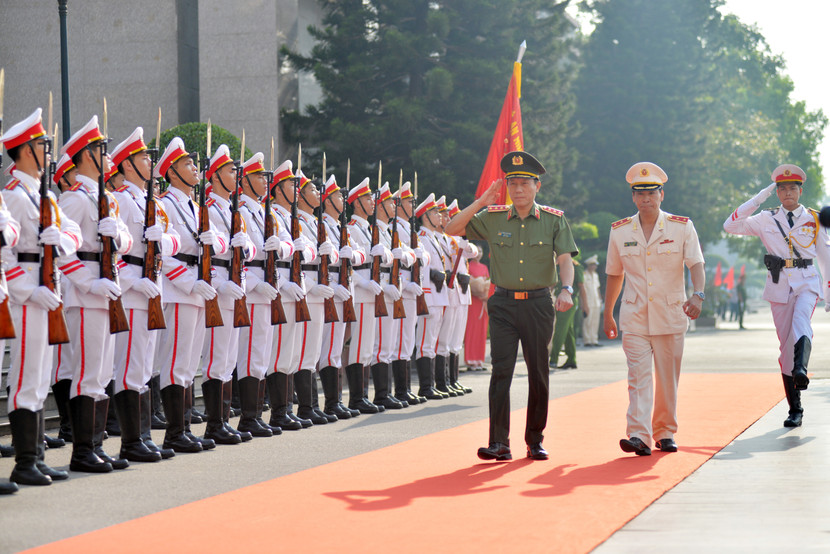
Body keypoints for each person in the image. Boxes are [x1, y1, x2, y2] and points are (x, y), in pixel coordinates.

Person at [445, 150, 577, 462]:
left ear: (537, 187)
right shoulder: (492, 217)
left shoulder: (553, 221)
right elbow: (451, 229)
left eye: (524, 183)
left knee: (538, 373)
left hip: (538, 304)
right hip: (502, 302)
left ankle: (535, 440)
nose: (517, 189)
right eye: (512, 183)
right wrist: (481, 202)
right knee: (500, 371)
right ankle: (499, 443)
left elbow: (564, 260)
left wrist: (567, 288)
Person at [603, 162, 705, 456]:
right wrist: (608, 312)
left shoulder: (681, 227)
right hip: (634, 316)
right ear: (633, 197)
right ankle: (638, 434)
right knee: (638, 377)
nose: (646, 199)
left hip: (671, 314)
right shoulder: (620, 231)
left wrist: (698, 295)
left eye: (652, 193)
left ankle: (664, 431)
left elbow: (696, 263)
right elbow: (614, 274)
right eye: (640, 193)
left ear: (662, 194)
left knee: (667, 379)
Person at [2, 108, 76, 488]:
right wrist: (28, 291)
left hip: (50, 290)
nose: (50, 153)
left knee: (41, 377)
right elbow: (6, 256)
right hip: (29, 295)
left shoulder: (42, 194)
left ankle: (37, 459)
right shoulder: (13, 196)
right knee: (27, 376)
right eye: (44, 146)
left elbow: (74, 234)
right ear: (28, 150)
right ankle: (24, 461)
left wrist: (60, 239)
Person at [723, 164, 830, 427]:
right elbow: (730, 225)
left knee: (802, 322)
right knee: (785, 347)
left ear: (800, 191)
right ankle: (795, 408)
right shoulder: (765, 218)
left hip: (806, 282)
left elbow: (827, 259)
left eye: (792, 188)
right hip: (779, 285)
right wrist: (759, 198)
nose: (787, 193)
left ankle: (801, 369)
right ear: (777, 193)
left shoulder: (814, 219)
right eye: (781, 189)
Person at [59, 116, 135, 472]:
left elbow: (128, 241)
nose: (110, 157)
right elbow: (61, 252)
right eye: (103, 150)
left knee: (103, 371)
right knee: (87, 371)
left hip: (108, 290)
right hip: (86, 294)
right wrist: (88, 283)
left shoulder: (105, 196)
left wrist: (118, 236)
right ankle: (82, 450)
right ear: (88, 155)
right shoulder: (75, 199)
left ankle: (97, 445)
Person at [109, 127, 180, 461]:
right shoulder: (120, 201)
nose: (150, 163)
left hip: (155, 290)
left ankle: (143, 436)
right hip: (134, 291)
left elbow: (178, 241)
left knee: (144, 366)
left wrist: (163, 240)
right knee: (129, 366)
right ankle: (130, 441)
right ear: (127, 165)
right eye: (142, 158)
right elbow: (109, 252)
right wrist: (132, 281)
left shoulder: (152, 202)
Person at [549, 258, 584, 369]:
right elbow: (553, 284)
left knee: (560, 329)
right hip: (559, 299)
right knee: (568, 330)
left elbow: (581, 287)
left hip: (570, 300)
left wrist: (585, 305)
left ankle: (553, 359)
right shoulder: (557, 266)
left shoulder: (576, 267)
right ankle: (571, 359)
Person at [465, 250, 491, 371]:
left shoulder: (485, 267)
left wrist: (485, 295)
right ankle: (470, 360)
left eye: (481, 251)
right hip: (473, 301)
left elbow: (487, 282)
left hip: (483, 302)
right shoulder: (468, 265)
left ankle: (479, 360)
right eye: (477, 251)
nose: (479, 253)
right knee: (472, 329)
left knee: (482, 330)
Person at [582, 254, 602, 346]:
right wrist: (583, 303)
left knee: (595, 321)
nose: (594, 266)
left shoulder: (596, 275)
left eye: (595, 264)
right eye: (593, 264)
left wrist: (600, 299)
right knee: (587, 321)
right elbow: (583, 289)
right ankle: (587, 340)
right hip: (588, 301)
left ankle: (594, 339)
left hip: (596, 301)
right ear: (589, 265)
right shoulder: (584, 275)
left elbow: (597, 288)